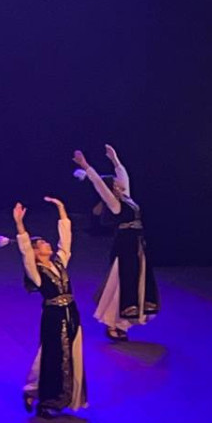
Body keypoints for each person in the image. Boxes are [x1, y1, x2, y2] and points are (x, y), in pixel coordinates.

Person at [73, 145, 160, 341]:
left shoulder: (126, 198)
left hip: (136, 246)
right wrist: (85, 166)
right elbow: (99, 185)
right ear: (113, 188)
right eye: (116, 181)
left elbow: (124, 176)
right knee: (121, 283)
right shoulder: (115, 204)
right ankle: (112, 323)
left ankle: (122, 324)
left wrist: (115, 160)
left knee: (135, 282)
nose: (120, 181)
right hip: (125, 247)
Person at [14, 198, 87, 418]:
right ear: (37, 252)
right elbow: (26, 254)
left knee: (70, 355)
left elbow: (66, 242)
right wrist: (19, 224)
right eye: (43, 243)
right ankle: (48, 400)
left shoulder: (58, 263)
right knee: (52, 357)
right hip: (54, 317)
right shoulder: (36, 273)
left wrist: (61, 209)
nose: (48, 244)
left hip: (71, 314)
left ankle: (39, 391)